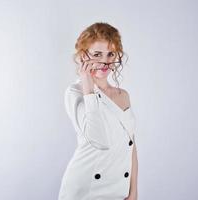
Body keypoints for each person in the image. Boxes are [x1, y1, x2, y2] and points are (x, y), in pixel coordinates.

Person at [58, 22, 138, 200]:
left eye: (110, 54)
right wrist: (88, 87)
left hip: (118, 188)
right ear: (83, 56)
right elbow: (99, 140)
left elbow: (130, 146)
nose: (105, 61)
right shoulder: (75, 93)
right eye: (97, 54)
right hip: (86, 188)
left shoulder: (123, 95)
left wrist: (133, 192)